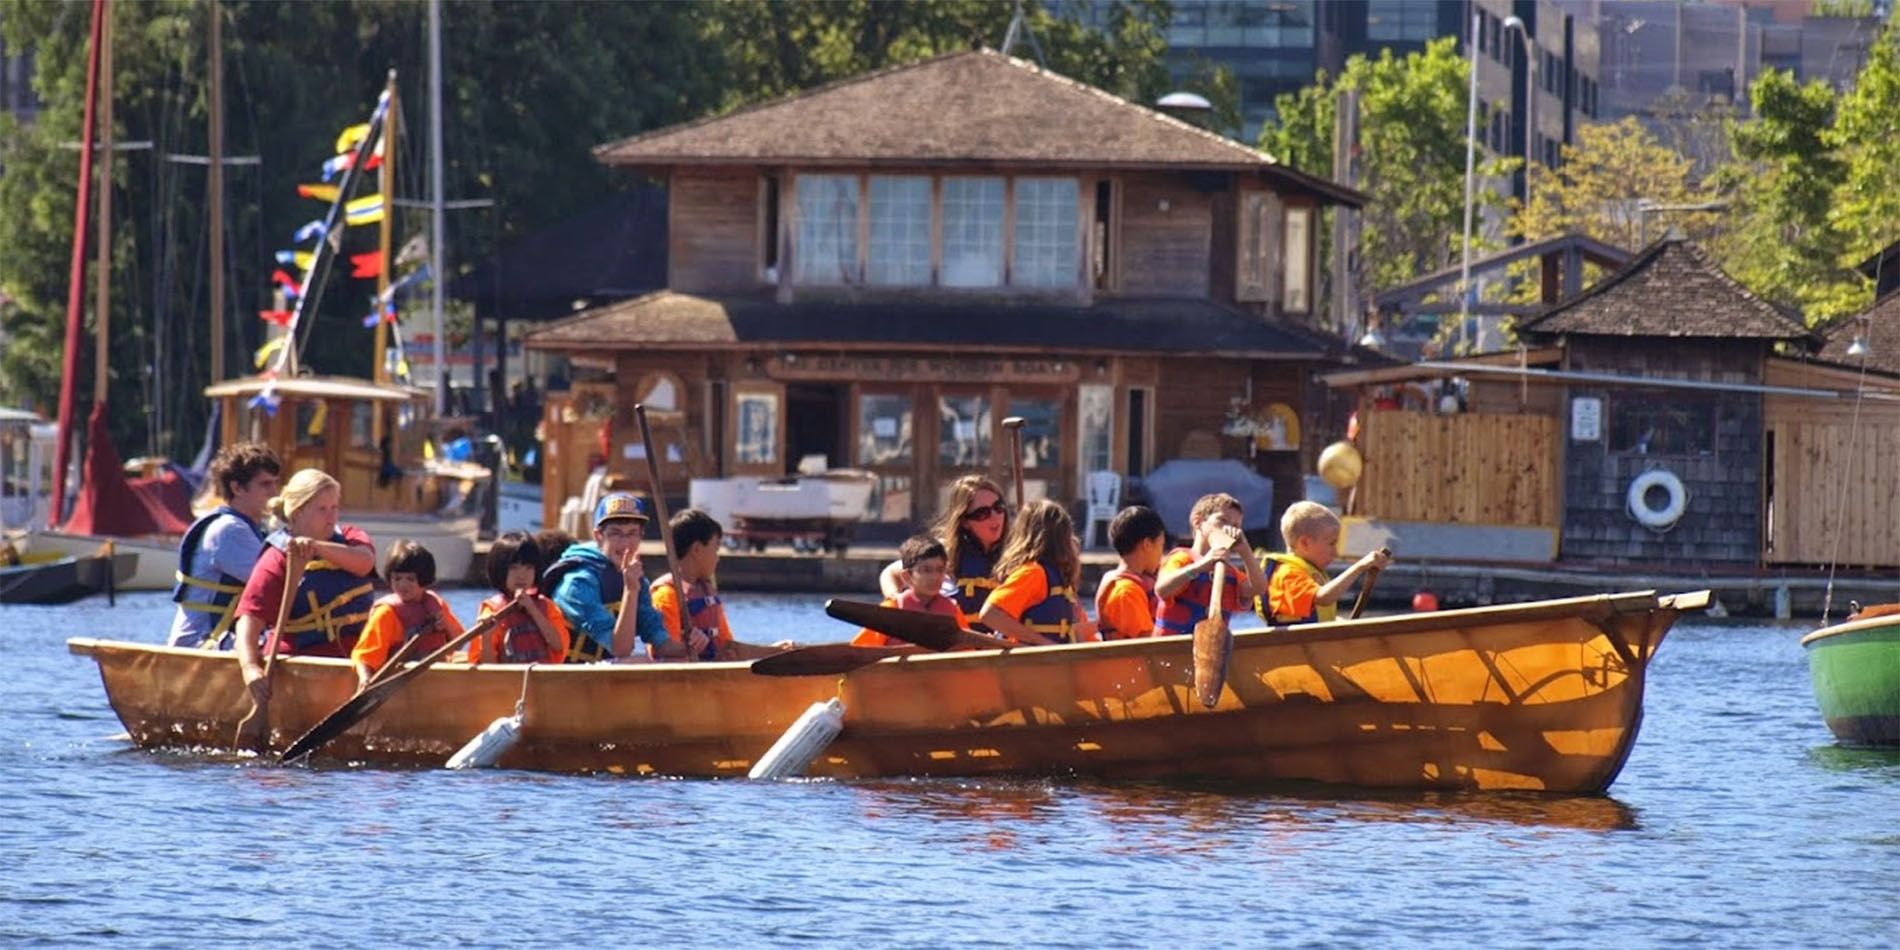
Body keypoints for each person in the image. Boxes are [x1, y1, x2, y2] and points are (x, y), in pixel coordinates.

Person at [232, 469, 378, 708]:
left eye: (334, 508)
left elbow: (364, 563)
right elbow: (249, 619)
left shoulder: (351, 537)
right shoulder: (277, 557)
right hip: (307, 663)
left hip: (360, 657)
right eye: (322, 509)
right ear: (298, 513)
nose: (331, 517)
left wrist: (316, 547)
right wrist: (250, 668)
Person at [543, 493, 689, 661]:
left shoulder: (635, 577)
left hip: (605, 676)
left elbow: (658, 638)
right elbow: (621, 648)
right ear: (599, 536)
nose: (625, 544)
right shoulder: (577, 584)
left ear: (641, 536)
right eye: (616, 533)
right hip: (567, 678)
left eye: (632, 533)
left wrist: (689, 647)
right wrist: (630, 591)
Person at [169, 442, 282, 649]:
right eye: (265, 484)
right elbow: (278, 587)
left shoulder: (254, 528)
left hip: (224, 641)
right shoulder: (229, 531)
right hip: (204, 644)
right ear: (236, 488)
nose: (275, 492)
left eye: (276, 483)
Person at [652, 508, 791, 660]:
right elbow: (665, 657)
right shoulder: (666, 595)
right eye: (715, 548)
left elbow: (727, 648)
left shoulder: (706, 591)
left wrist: (775, 651)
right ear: (697, 549)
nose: (718, 557)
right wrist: (688, 648)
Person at [878, 474, 1010, 624]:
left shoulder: (1014, 553)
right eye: (982, 513)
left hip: (997, 643)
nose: (995, 517)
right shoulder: (945, 550)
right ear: (965, 521)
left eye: (999, 508)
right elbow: (890, 574)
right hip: (954, 643)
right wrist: (896, 601)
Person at [978, 499, 1095, 645]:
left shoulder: (1062, 582)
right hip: (1033, 665)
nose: (1073, 542)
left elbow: (1076, 631)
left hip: (1060, 665)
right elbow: (990, 614)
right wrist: (1044, 644)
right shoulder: (1033, 573)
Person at [1256, 500, 1392, 625]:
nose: (1335, 552)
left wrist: (1339, 622)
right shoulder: (1286, 574)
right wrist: (1359, 567)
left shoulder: (1309, 572)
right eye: (1331, 544)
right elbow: (1324, 598)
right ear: (1305, 543)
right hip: (1294, 649)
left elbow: (1319, 614)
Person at [349, 540, 463, 687]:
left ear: (424, 579)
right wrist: (365, 680)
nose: (403, 585)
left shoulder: (436, 604)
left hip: (435, 677)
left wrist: (445, 624)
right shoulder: (386, 613)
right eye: (397, 578)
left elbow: (458, 642)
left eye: (410, 579)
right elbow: (365, 656)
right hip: (401, 681)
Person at [1152, 492, 1267, 637]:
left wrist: (1245, 550)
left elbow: (1259, 588)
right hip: (1172, 650)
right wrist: (1199, 567)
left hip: (1209, 651)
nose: (1230, 530)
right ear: (1198, 522)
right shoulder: (1181, 559)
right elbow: (1162, 590)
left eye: (1236, 526)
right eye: (1223, 521)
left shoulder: (1230, 572)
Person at [469, 531, 570, 665]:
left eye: (528, 568)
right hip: (507, 683)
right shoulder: (492, 611)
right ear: (500, 570)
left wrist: (533, 610)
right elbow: (486, 669)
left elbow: (559, 647)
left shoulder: (547, 607)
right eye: (514, 568)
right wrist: (486, 637)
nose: (522, 575)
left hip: (542, 681)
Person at [852, 534, 966, 648]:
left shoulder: (953, 611)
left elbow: (967, 651)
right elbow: (861, 651)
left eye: (940, 570)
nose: (935, 577)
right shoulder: (891, 610)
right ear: (907, 576)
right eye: (926, 570)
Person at [1094, 505, 1166, 641]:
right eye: (1161, 545)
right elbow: (1151, 646)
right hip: (1129, 662)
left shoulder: (1135, 583)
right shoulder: (1126, 591)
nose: (1161, 555)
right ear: (1147, 544)